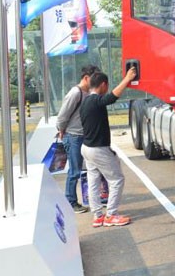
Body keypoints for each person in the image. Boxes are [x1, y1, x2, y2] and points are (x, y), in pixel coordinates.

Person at [80, 67, 137, 228]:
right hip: (98, 149)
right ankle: (111, 215)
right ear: (103, 85)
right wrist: (127, 79)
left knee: (93, 181)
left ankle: (98, 216)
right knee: (117, 179)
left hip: (87, 148)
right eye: (107, 86)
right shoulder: (95, 100)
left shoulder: (85, 101)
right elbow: (112, 97)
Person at [56, 64, 100, 214]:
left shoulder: (90, 93)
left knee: (89, 169)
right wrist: (61, 130)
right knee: (74, 171)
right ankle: (71, 201)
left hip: (85, 136)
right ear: (86, 78)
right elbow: (63, 115)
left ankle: (92, 198)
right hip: (73, 136)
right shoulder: (76, 93)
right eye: (94, 79)